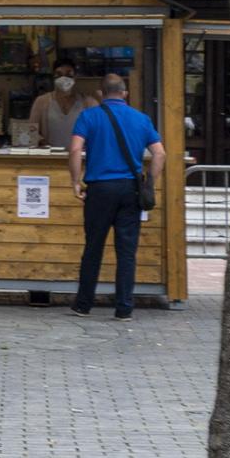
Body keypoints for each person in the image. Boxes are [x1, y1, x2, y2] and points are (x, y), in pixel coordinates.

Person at [67, 72, 166, 320]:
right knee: (126, 251)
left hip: (99, 190)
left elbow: (76, 149)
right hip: (130, 189)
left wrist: (75, 181)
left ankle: (83, 304)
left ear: (101, 94)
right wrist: (150, 183)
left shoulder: (89, 116)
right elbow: (160, 154)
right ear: (125, 93)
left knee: (93, 248)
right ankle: (123, 308)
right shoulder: (141, 119)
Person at [28, 58, 98, 148]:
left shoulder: (88, 103)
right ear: (53, 77)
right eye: (59, 75)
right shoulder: (41, 102)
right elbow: (31, 130)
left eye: (69, 75)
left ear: (75, 77)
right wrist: (42, 142)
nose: (64, 78)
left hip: (80, 157)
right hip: (51, 158)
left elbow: (99, 130)